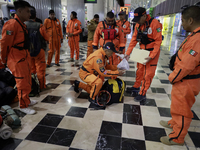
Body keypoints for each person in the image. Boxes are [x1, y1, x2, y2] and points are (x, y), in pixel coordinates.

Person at [160, 6, 200, 146]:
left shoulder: (198, 39)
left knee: (182, 110)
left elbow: (187, 65)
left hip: (186, 80)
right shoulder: (194, 34)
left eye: (182, 20)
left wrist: (173, 77)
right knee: (177, 106)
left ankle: (177, 137)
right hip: (182, 79)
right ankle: (174, 123)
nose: (181, 23)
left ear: (190, 20)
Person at [0, 1, 37, 115]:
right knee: (21, 82)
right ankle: (23, 105)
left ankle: (27, 99)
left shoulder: (22, 24)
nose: (29, 14)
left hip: (24, 57)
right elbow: (4, 44)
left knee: (27, 80)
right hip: (16, 59)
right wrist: (3, 60)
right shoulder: (11, 24)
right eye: (27, 11)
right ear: (19, 11)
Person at [125, 7, 162, 101]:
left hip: (152, 52)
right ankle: (136, 87)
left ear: (145, 15)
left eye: (139, 19)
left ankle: (143, 93)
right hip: (142, 51)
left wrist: (152, 56)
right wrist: (128, 53)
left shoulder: (155, 24)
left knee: (148, 74)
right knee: (139, 71)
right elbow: (133, 39)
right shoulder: (138, 25)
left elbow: (158, 42)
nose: (138, 22)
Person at [74, 42, 124, 107]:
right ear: (106, 50)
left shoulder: (103, 54)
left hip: (91, 73)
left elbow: (105, 66)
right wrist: (117, 73)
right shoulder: (98, 57)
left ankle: (78, 84)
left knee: (95, 90)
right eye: (111, 52)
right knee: (98, 82)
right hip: (85, 74)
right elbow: (103, 72)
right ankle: (92, 99)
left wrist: (116, 67)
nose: (111, 54)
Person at [25, 6, 50, 91]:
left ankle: (33, 85)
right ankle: (42, 86)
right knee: (40, 69)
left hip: (28, 51)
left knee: (31, 69)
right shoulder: (39, 25)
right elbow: (46, 38)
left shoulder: (23, 25)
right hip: (39, 51)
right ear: (35, 16)